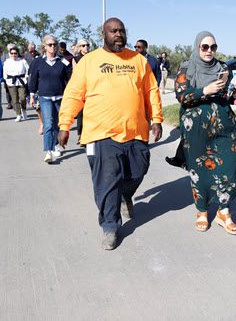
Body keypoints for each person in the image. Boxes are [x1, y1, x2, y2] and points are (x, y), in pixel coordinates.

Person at [58, 18, 163, 250]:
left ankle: (127, 194)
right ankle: (110, 226)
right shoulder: (89, 61)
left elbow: (151, 91)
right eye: (113, 31)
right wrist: (65, 125)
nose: (118, 34)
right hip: (100, 133)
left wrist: (156, 119)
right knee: (107, 181)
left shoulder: (138, 60)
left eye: (122, 31)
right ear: (103, 34)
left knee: (138, 170)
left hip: (135, 131)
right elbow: (74, 94)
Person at [174, 30, 236, 235]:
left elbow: (229, 97)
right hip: (196, 130)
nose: (209, 51)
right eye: (205, 47)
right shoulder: (186, 68)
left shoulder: (222, 67)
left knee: (230, 168)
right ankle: (202, 211)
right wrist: (205, 90)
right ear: (197, 47)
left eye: (213, 47)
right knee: (200, 171)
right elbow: (182, 95)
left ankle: (224, 211)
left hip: (225, 127)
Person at [28, 35, 72, 163]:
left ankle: (58, 145)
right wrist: (32, 95)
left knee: (58, 124)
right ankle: (49, 151)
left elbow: (70, 79)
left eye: (54, 45)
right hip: (45, 97)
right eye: (49, 45)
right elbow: (34, 80)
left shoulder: (63, 62)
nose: (52, 47)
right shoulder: (38, 62)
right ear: (44, 47)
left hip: (60, 97)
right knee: (48, 124)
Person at [3, 45, 30, 122]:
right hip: (11, 82)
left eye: (15, 53)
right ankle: (18, 114)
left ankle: (24, 110)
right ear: (9, 54)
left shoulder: (22, 61)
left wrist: (26, 76)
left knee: (22, 97)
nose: (13, 55)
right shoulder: (7, 62)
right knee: (14, 100)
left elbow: (28, 69)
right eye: (12, 53)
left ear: (18, 53)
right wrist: (6, 79)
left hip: (21, 81)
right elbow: (4, 72)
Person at [72, 38, 91, 142]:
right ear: (79, 48)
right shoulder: (75, 59)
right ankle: (80, 134)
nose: (86, 47)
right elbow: (75, 75)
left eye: (87, 45)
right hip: (81, 88)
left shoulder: (93, 57)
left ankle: (89, 134)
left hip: (92, 87)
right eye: (83, 45)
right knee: (81, 112)